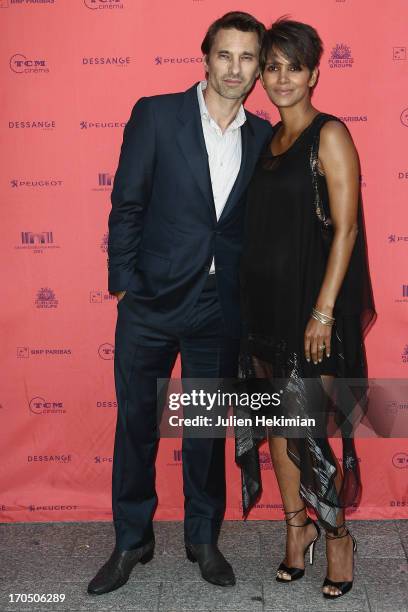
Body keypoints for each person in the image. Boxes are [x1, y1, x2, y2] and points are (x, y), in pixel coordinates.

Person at [87, 11, 273, 595]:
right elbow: (127, 204)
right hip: (150, 301)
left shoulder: (263, 136)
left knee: (203, 429)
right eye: (225, 55)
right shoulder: (157, 114)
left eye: (247, 59)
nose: (235, 69)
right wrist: (123, 284)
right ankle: (131, 540)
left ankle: (202, 537)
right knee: (137, 422)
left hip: (217, 307)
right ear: (206, 57)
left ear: (258, 68)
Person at [237, 18, 376, 599]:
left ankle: (337, 536)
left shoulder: (330, 134)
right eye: (272, 66)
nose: (282, 77)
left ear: (315, 72)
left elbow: (344, 231)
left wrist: (322, 313)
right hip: (262, 309)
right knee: (276, 425)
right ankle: (296, 529)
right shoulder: (266, 141)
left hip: (311, 310)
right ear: (261, 77)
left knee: (307, 427)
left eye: (294, 66)